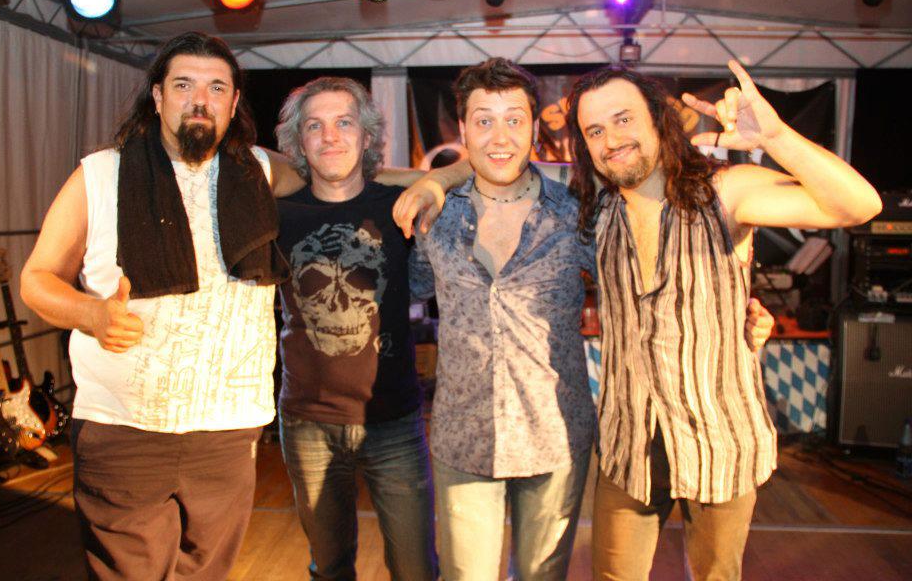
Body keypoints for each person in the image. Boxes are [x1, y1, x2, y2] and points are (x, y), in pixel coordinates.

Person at [566, 60, 881, 581]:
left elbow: (859, 206)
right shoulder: (598, 213)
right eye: (594, 130)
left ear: (657, 119)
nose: (611, 140)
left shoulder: (724, 192)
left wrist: (776, 137)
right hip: (630, 442)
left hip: (720, 438)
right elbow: (499, 171)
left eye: (623, 119)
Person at [20, 32, 304, 580]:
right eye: (183, 85)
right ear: (157, 96)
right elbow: (36, 279)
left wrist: (435, 181)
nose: (200, 100)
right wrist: (91, 315)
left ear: (234, 102)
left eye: (216, 88)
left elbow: (339, 178)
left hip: (228, 431)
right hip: (125, 430)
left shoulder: (261, 170)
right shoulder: (100, 174)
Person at [408, 58, 598, 581]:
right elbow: (406, 288)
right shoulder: (434, 217)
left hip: (555, 437)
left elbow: (636, 286)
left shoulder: (574, 214)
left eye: (514, 119)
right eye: (484, 120)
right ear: (463, 129)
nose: (499, 136)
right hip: (463, 435)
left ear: (535, 128)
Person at [272, 77, 436, 580]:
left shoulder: (401, 206)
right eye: (314, 126)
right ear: (299, 143)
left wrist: (431, 191)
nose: (330, 137)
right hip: (307, 422)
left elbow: (422, 285)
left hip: (394, 422)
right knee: (330, 567)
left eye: (344, 123)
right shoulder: (278, 216)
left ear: (366, 136)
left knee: (416, 569)